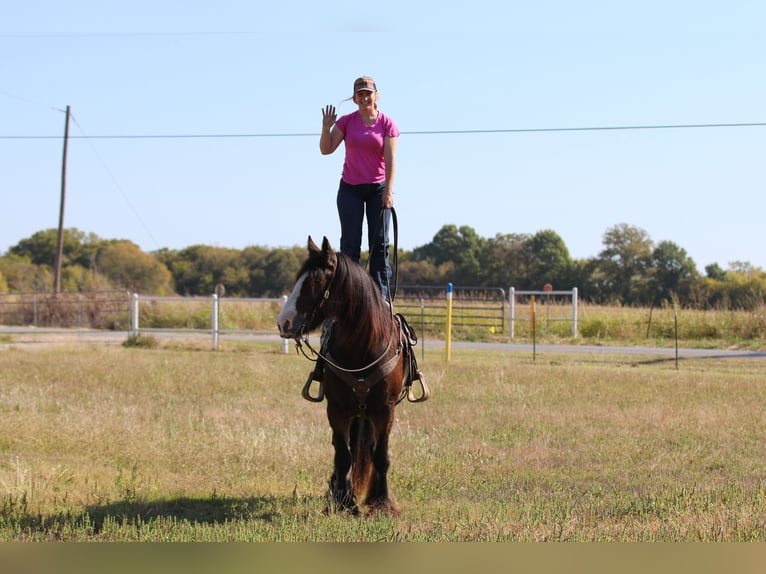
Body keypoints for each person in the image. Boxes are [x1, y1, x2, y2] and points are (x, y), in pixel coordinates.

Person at [319, 75, 399, 299]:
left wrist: (389, 191)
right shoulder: (347, 121)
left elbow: (391, 160)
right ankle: (349, 297)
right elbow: (326, 149)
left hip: (378, 190)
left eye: (368, 94)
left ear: (376, 96)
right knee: (350, 246)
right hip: (350, 189)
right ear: (354, 98)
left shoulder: (387, 124)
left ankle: (381, 300)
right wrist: (326, 128)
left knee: (379, 247)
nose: (364, 98)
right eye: (360, 94)